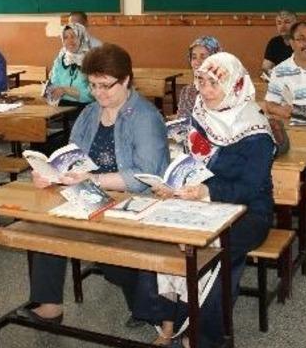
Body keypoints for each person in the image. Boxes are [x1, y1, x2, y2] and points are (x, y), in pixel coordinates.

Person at [22, 43, 169, 323]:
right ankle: (50, 305)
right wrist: (51, 174)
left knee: (115, 264)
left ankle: (148, 304)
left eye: (106, 86)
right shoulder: (90, 113)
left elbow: (143, 176)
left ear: (126, 80)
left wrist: (94, 179)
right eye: (92, 85)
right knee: (46, 228)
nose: (98, 93)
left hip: (136, 203)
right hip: (93, 196)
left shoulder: (145, 117)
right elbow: (71, 156)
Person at [146, 52, 275, 347]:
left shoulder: (255, 129)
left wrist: (208, 192)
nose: (204, 90)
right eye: (201, 81)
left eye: (214, 83)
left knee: (211, 255)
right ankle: (171, 321)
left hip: (248, 212)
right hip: (200, 202)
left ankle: (205, 337)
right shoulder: (201, 114)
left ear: (235, 85)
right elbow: (190, 161)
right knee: (164, 237)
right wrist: (173, 183)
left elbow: (251, 187)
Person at [47, 23, 95, 117]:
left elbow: (91, 95)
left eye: (73, 36)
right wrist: (51, 90)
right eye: (65, 37)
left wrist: (65, 90)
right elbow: (55, 84)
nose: (69, 41)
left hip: (84, 110)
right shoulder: (61, 60)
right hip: (60, 108)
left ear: (81, 37)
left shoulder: (92, 61)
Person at [176, 36, 222, 118]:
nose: (197, 62)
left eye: (203, 57)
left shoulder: (226, 90)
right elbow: (183, 122)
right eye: (194, 57)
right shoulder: (187, 92)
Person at [261, 10, 296, 76]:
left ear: (295, 24)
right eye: (279, 23)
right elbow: (266, 67)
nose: (283, 26)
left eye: (287, 22)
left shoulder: (303, 41)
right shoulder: (274, 42)